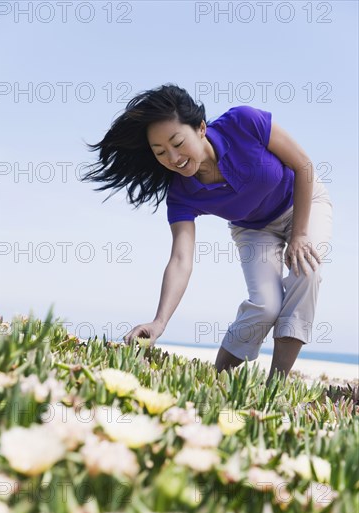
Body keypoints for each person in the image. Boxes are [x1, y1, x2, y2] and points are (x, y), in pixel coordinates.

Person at [81, 83, 333, 384]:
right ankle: (215, 379)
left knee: (307, 272)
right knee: (266, 305)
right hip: (254, 228)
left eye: (177, 142)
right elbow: (180, 258)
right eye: (160, 152)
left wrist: (301, 234)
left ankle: (274, 388)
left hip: (303, 203)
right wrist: (160, 321)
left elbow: (303, 166)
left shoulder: (244, 122)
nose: (173, 158)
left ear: (200, 128)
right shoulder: (180, 194)